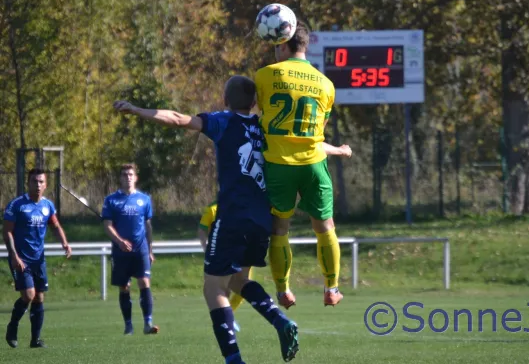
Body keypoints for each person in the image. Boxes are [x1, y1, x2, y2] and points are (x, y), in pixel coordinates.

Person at [113, 75, 299, 363]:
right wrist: (338, 149)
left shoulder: (223, 121)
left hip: (233, 215)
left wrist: (137, 110)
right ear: (254, 103)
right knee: (238, 279)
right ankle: (280, 320)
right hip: (262, 219)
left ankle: (234, 359)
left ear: (226, 100)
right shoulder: (266, 127)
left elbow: (177, 118)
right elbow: (306, 149)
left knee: (213, 288)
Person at [196, 143, 351, 330]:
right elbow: (310, 143)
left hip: (248, 210)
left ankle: (280, 294)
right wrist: (339, 150)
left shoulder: (254, 129)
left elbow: (180, 120)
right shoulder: (274, 126)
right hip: (259, 213)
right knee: (326, 227)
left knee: (222, 283)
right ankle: (330, 288)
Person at [254, 20, 347, 308]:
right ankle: (331, 288)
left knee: (279, 229)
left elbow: (257, 113)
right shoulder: (326, 84)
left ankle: (283, 291)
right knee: (325, 226)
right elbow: (319, 130)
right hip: (313, 164)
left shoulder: (264, 76)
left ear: (282, 44)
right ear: (305, 45)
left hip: (279, 164)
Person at [3, 168, 72, 349]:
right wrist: (13, 255)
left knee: (39, 297)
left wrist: (64, 243)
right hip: (21, 258)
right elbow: (7, 231)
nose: (38, 185)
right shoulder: (17, 205)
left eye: (41, 181)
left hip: (38, 260)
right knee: (29, 295)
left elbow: (55, 226)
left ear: (46, 184)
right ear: (28, 183)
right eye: (34, 181)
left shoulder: (47, 205)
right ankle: (13, 326)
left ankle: (35, 340)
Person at [101, 163, 159, 336]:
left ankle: (148, 323)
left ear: (136, 177)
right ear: (120, 178)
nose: (128, 177)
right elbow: (107, 226)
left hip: (140, 249)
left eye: (130, 174)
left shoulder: (144, 199)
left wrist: (149, 250)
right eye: (125, 175)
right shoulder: (111, 200)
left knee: (144, 282)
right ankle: (128, 326)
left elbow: (148, 227)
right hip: (120, 251)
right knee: (124, 286)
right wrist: (119, 241)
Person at [198, 200, 251, 333]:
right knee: (222, 290)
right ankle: (226, 320)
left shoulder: (242, 206)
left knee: (243, 287)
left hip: (239, 254)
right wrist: (207, 249)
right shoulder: (212, 209)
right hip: (220, 257)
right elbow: (202, 230)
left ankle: (228, 317)